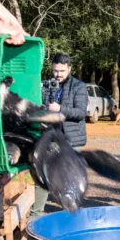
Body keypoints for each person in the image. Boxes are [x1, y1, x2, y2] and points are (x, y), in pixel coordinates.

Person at [31, 53, 88, 217]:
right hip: (50, 138)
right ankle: (36, 212)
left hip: (72, 140)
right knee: (43, 173)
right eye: (56, 70)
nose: (58, 74)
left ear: (69, 69)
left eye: (62, 71)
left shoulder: (79, 86)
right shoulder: (46, 85)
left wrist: (59, 109)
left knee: (70, 178)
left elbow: (80, 112)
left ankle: (71, 213)